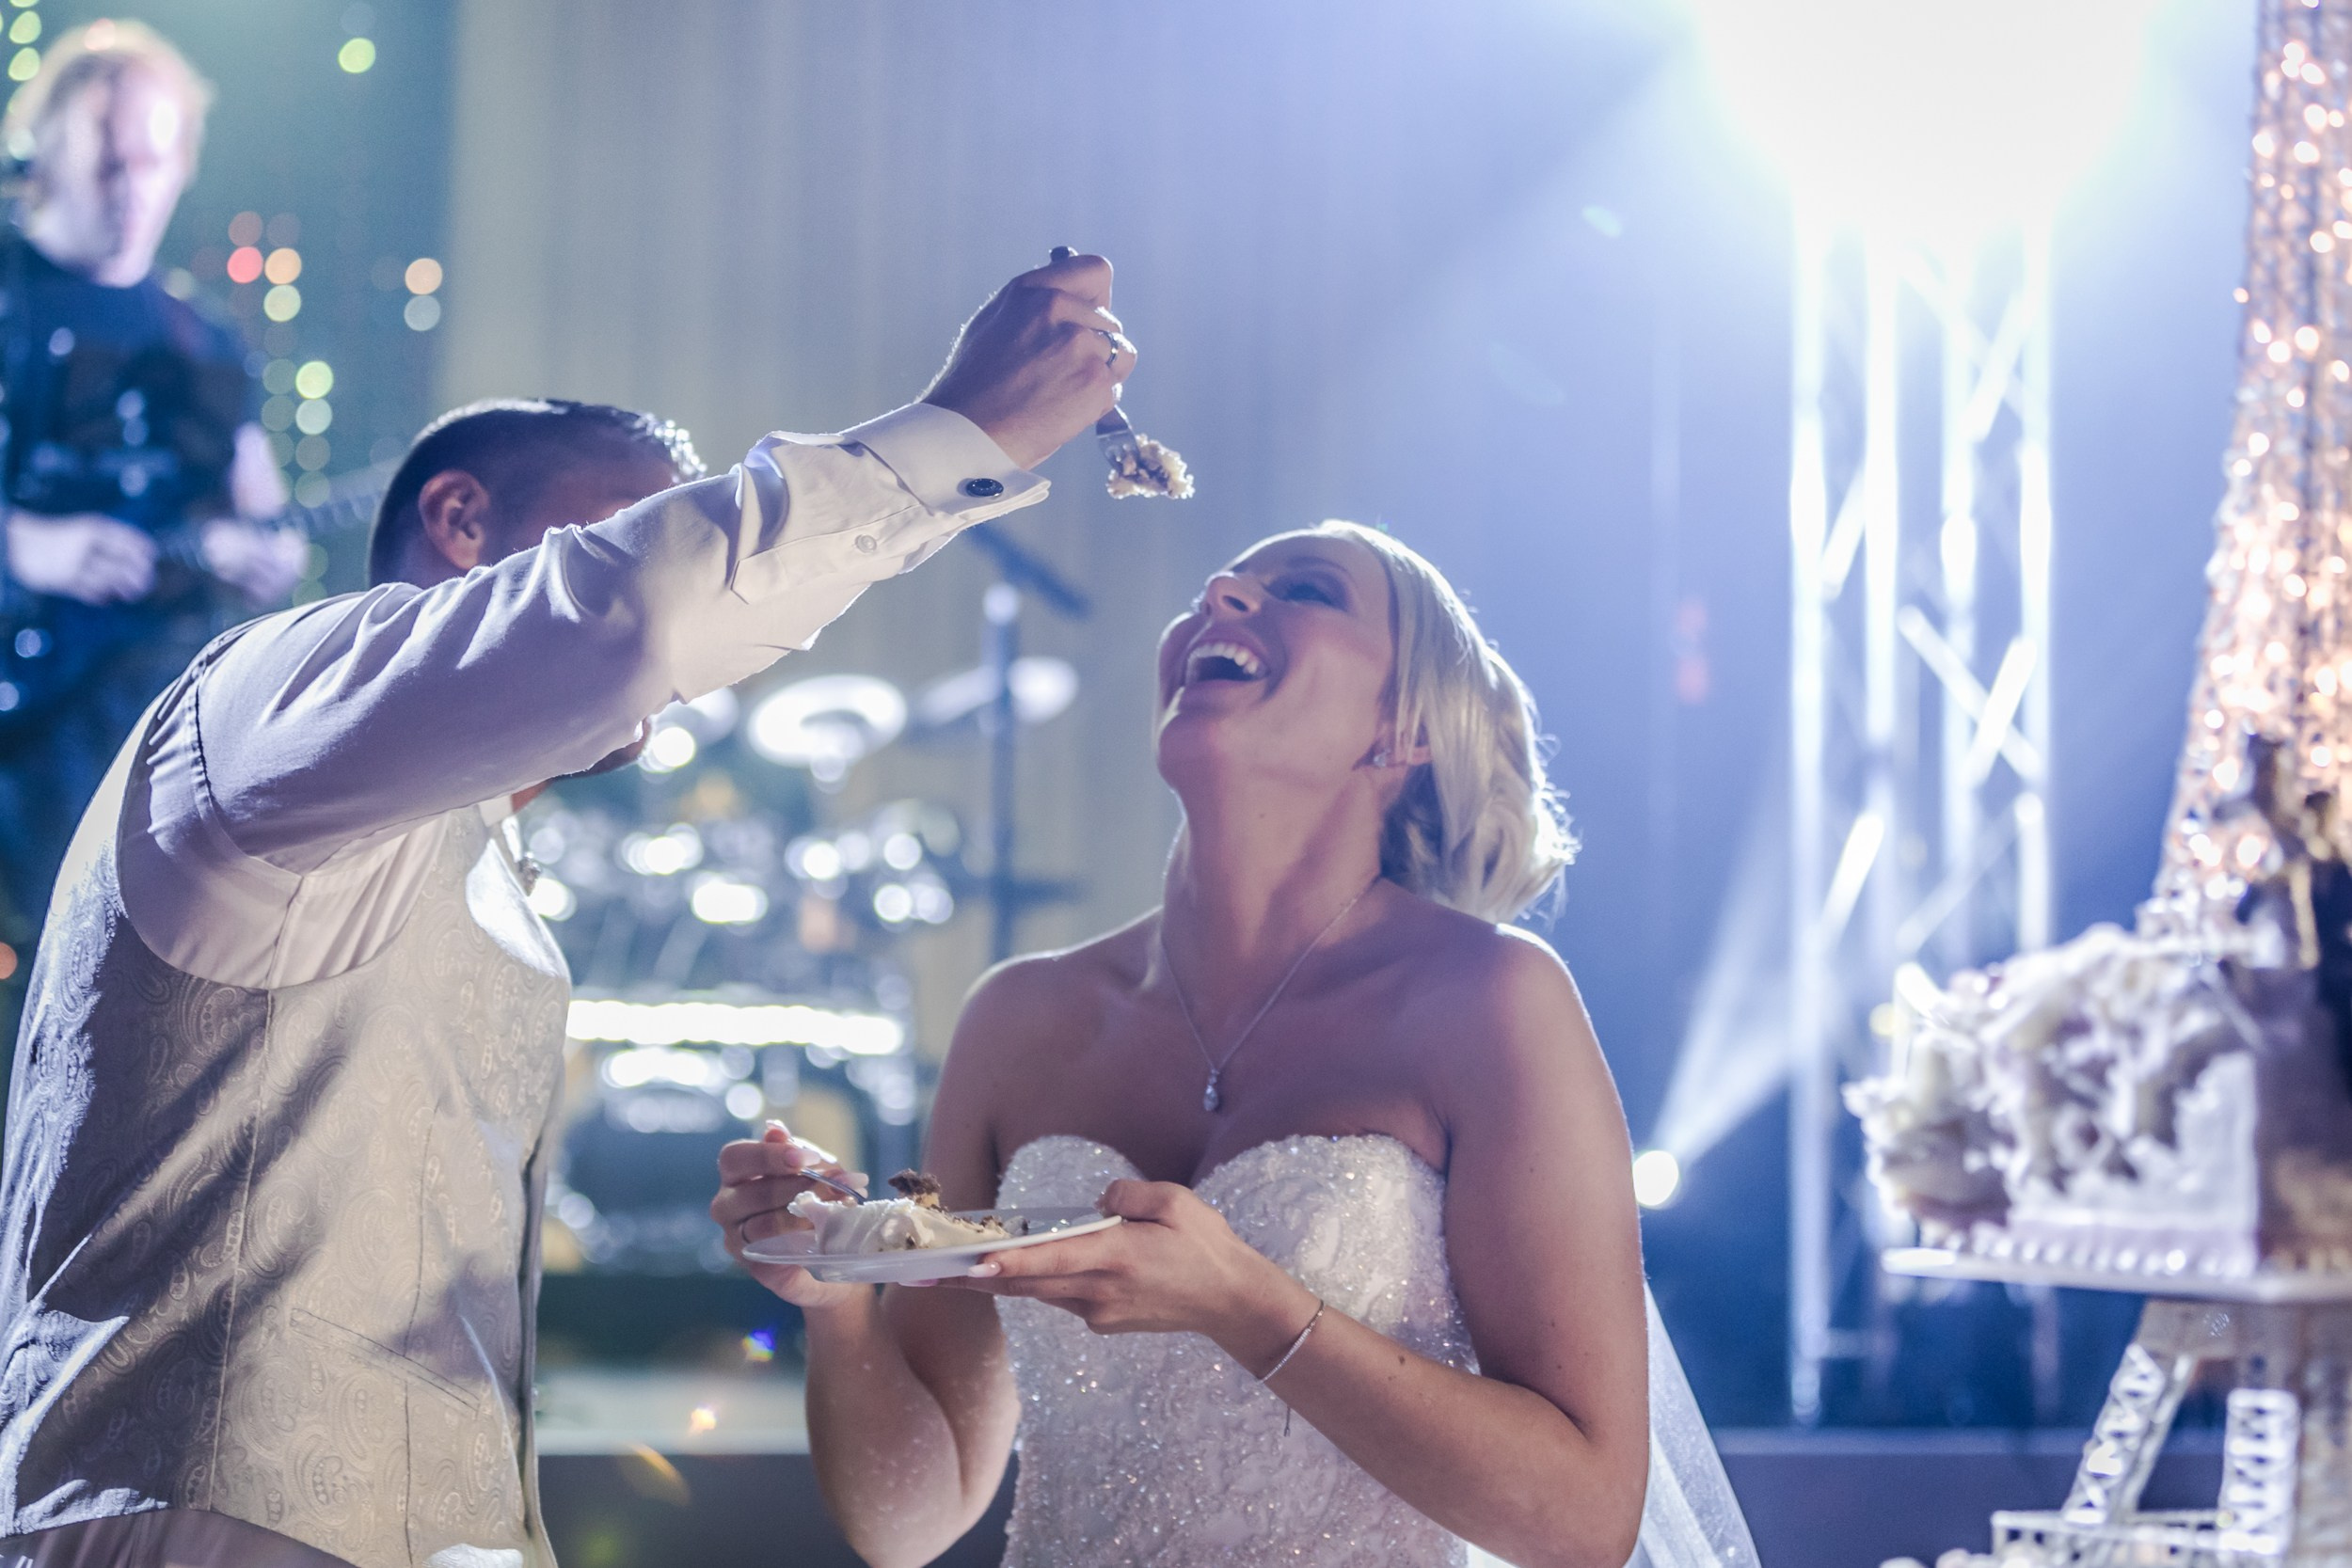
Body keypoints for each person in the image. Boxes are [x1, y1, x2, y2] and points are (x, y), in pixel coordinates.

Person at [0, 250, 1137, 1568]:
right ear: (463, 519)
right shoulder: (267, 692)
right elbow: (632, 618)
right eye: (619, 527)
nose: (665, 578)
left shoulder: (473, 856)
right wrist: (960, 435)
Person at [713, 525, 1758, 1566]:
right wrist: (837, 1298)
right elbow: (908, 1517)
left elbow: (1583, 1520)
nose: (1222, 591)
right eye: (1222, 582)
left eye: (1304, 588)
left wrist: (1249, 1308)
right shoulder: (1018, 1019)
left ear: (1403, 730)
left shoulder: (1490, 1001)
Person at [0, 21, 306, 961]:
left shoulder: (202, 341)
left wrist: (270, 555)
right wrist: (27, 544)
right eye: (105, 161)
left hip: (131, 742)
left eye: (150, 159)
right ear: (48, 155)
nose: (130, 187)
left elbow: (264, 511)